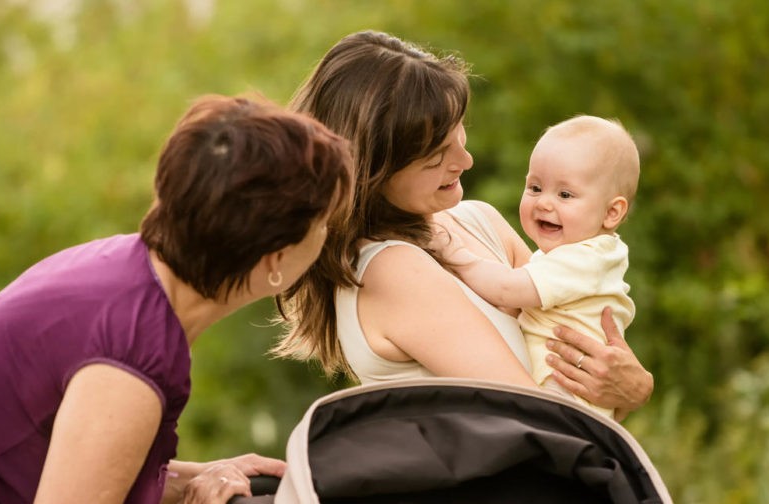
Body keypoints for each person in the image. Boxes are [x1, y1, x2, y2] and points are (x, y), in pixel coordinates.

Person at [0, 95, 356, 504]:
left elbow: (66, 463)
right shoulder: (128, 361)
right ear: (274, 262)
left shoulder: (124, 268)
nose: (330, 234)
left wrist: (195, 477)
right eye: (324, 224)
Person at [274, 30, 654, 420]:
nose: (465, 160)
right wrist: (632, 392)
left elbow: (583, 368)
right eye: (437, 155)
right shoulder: (391, 269)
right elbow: (543, 420)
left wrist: (634, 387)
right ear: (375, 171)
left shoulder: (480, 220)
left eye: (458, 131)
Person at [435, 115, 641, 418]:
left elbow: (507, 289)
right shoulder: (581, 254)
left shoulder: (586, 259)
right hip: (563, 395)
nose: (544, 203)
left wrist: (455, 255)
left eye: (565, 194)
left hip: (565, 395)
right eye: (534, 187)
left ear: (612, 212)